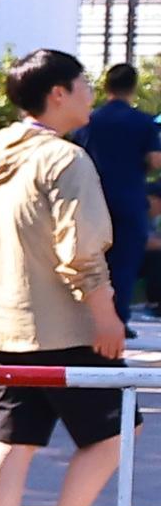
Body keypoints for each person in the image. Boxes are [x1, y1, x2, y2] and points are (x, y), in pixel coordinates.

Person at [0, 45, 131, 506]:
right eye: (84, 85)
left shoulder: (0, 157)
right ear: (58, 93)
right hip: (64, 324)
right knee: (117, 430)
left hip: (4, 321)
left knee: (14, 436)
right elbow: (81, 247)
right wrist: (106, 315)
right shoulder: (66, 159)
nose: (91, 95)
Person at [83, 61, 157, 328]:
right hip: (130, 199)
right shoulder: (143, 122)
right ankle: (118, 321)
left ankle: (91, 319)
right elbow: (155, 159)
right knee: (125, 263)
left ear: (106, 87)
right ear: (133, 87)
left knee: (92, 261)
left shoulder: (89, 120)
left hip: (92, 200)